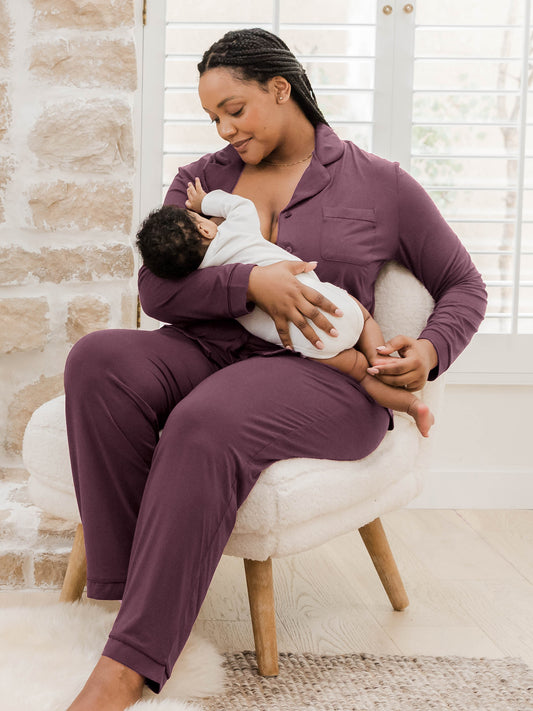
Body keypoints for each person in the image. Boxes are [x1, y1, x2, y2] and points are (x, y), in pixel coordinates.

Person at [65, 27, 487, 711]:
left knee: (207, 420)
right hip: (205, 348)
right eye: (212, 117)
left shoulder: (379, 184)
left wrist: (430, 349)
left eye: (235, 108)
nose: (225, 128)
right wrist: (249, 288)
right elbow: (158, 292)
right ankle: (123, 606)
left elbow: (464, 283)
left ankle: (130, 666)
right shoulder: (204, 182)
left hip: (326, 376)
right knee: (98, 359)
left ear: (280, 89)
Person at [136, 179, 435, 436]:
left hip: (311, 343)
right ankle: (380, 358)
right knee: (366, 319)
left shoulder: (200, 278)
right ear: (206, 229)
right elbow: (242, 207)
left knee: (359, 373)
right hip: (334, 308)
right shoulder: (235, 232)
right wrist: (205, 201)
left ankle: (411, 406)